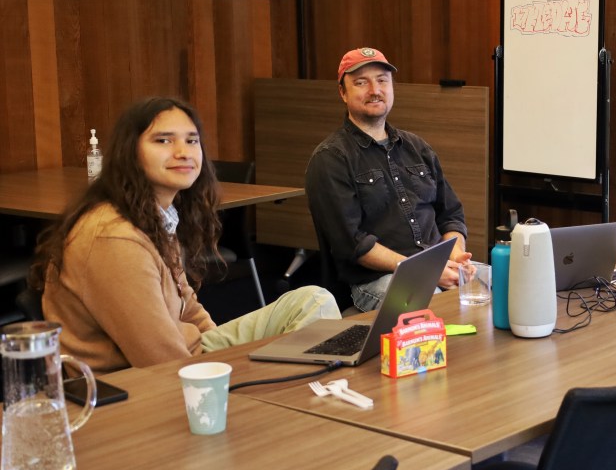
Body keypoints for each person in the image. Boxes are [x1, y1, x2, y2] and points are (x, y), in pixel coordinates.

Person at [30, 97, 341, 374]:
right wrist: (225, 372)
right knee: (303, 343)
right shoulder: (114, 238)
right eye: (163, 140)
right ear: (130, 153)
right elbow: (159, 361)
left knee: (312, 300)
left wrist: (220, 346)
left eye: (192, 141)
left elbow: (187, 304)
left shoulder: (154, 213)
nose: (183, 152)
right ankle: (291, 403)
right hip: (136, 388)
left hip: (188, 352)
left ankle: (297, 394)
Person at [305, 47, 471, 312]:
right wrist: (425, 270)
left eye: (382, 80)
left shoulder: (418, 147)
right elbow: (354, 245)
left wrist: (454, 254)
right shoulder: (331, 158)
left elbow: (451, 215)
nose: (375, 90)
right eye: (361, 82)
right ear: (342, 93)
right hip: (374, 282)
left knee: (495, 291)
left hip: (435, 267)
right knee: (433, 305)